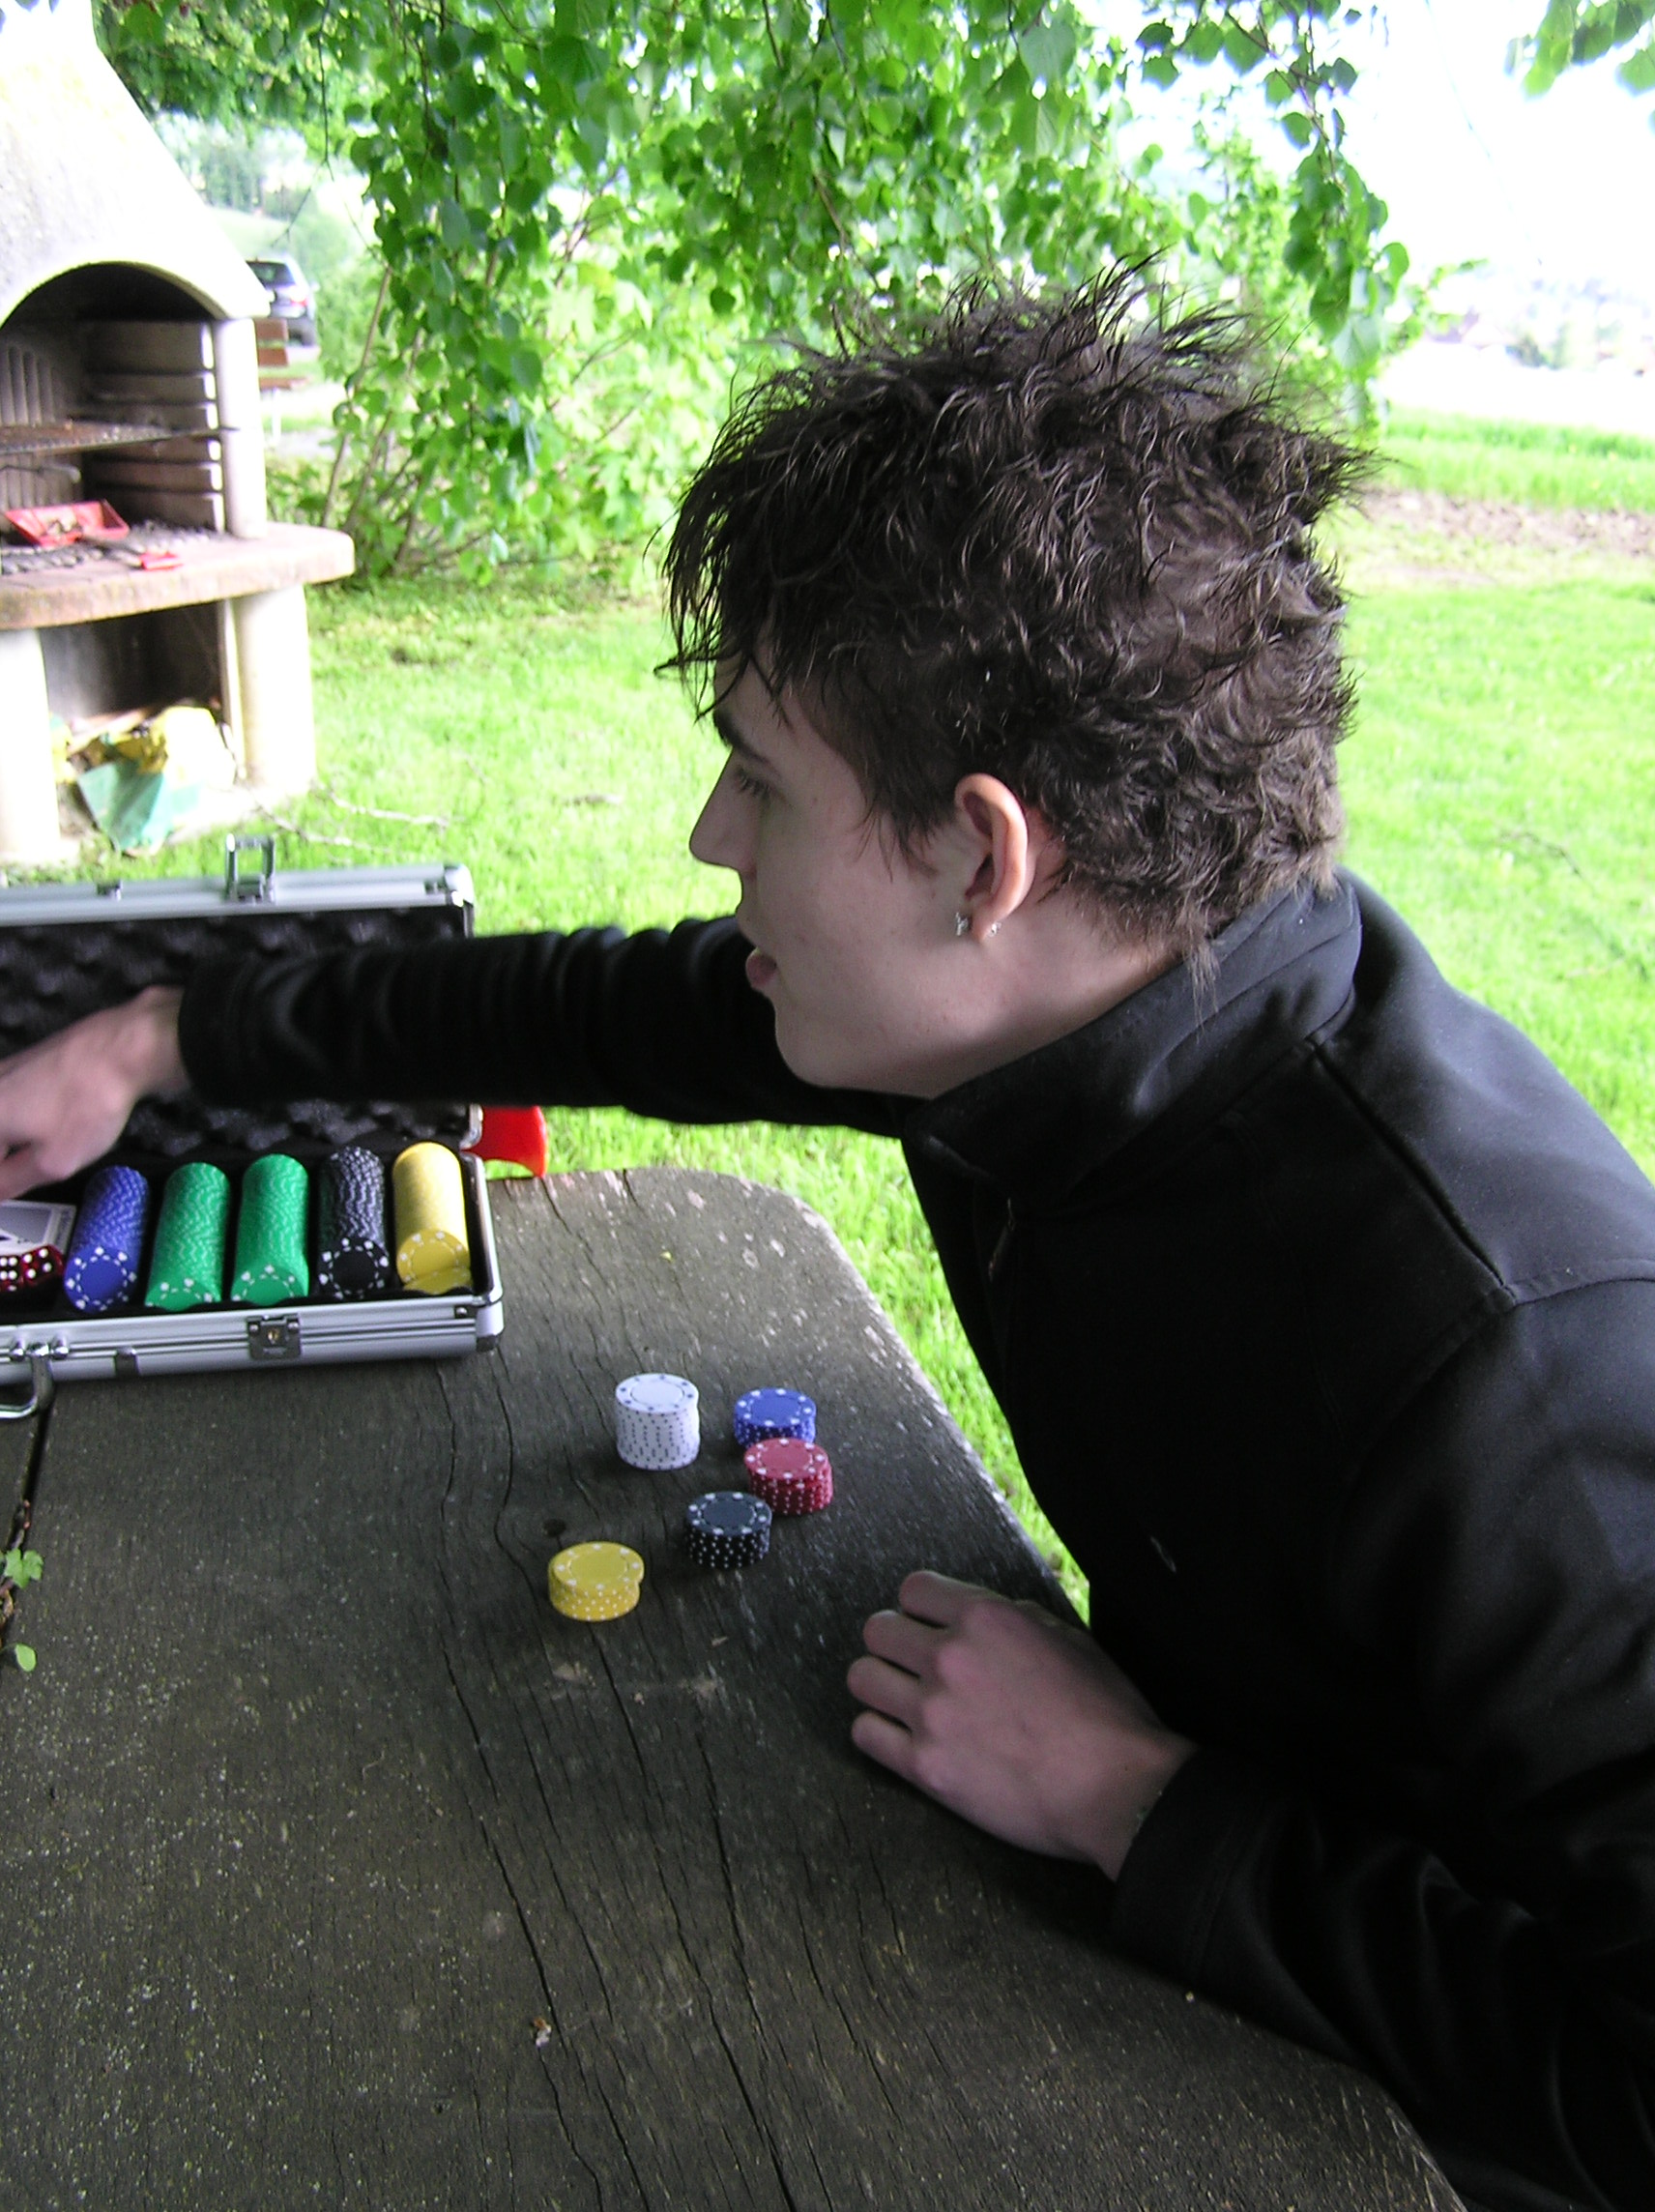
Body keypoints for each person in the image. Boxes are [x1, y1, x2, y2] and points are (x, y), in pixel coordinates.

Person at [1, 273, 1652, 2212]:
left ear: (982, 857)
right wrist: (163, 1036)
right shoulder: (1061, 1015)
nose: (714, 836)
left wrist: (1138, 1803)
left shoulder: (1508, 1373)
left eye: (762, 780)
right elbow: (599, 1012)